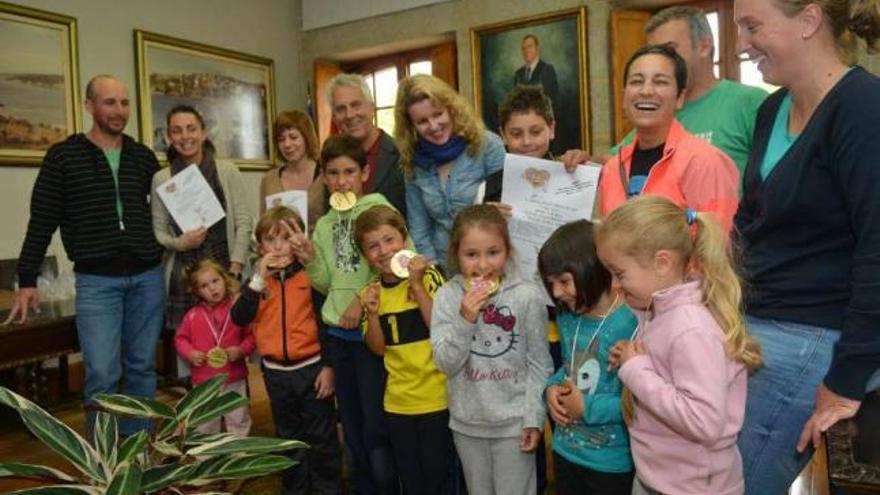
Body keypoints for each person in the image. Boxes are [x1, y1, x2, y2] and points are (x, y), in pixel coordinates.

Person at [732, 1, 880, 492]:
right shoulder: (773, 107)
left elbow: (876, 250)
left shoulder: (862, 110)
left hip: (815, 337)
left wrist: (847, 379)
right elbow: (751, 221)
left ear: (810, 21)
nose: (741, 44)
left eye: (753, 27)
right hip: (757, 330)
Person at [6, 75, 165, 435]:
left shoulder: (143, 157)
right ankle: (104, 461)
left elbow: (167, 210)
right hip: (97, 283)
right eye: (109, 102)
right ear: (89, 106)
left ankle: (138, 454)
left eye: (124, 103)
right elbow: (42, 219)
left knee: (141, 368)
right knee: (102, 373)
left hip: (147, 277)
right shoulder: (63, 156)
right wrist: (27, 278)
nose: (119, 111)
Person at [595, 195, 762, 495]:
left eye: (619, 274)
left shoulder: (690, 328)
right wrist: (633, 357)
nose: (614, 285)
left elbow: (703, 421)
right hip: (662, 477)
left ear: (662, 263)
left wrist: (636, 370)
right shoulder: (660, 308)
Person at [295, 134, 398, 495]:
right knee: (351, 422)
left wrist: (361, 298)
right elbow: (324, 282)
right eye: (333, 173)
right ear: (324, 177)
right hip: (339, 336)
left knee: (376, 422)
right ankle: (361, 486)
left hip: (373, 332)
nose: (341, 180)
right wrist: (310, 260)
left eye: (349, 172)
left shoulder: (377, 206)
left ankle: (388, 484)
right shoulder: (323, 225)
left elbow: (394, 263)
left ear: (365, 172)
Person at [431, 204, 553, 495]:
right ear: (456, 254)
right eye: (471, 254)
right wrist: (465, 319)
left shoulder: (527, 296)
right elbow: (445, 363)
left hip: (514, 425)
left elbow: (539, 364)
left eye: (493, 252)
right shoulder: (447, 297)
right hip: (467, 424)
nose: (483, 265)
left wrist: (533, 419)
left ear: (508, 251)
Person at [231, 206, 341, 494]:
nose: (278, 246)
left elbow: (325, 323)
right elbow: (239, 317)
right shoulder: (257, 282)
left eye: (285, 238)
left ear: (299, 240)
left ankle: (326, 490)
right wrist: (256, 280)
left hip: (313, 369)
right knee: (288, 438)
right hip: (276, 373)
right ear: (260, 245)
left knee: (322, 439)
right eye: (270, 239)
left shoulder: (310, 276)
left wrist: (328, 367)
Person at [355, 205, 453, 495]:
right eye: (372, 246)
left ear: (404, 239)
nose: (384, 251)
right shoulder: (370, 292)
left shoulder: (430, 276)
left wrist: (417, 286)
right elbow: (377, 349)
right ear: (365, 257)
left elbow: (441, 328)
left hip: (438, 399)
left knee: (439, 474)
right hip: (398, 403)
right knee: (410, 476)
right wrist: (372, 314)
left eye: (389, 240)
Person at [538, 220, 637, 495]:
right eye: (551, 284)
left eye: (564, 282)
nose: (557, 293)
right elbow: (571, 368)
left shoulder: (631, 321)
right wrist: (551, 388)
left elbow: (639, 403)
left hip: (612, 465)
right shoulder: (568, 315)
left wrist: (587, 407)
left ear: (591, 270)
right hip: (565, 452)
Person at [598, 44, 739, 234]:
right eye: (637, 81)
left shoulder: (705, 163)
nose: (646, 91)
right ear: (624, 97)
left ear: (680, 98)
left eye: (660, 82)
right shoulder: (613, 168)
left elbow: (715, 250)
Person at [611, 6, 768, 177]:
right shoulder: (658, 110)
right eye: (654, 52)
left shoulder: (750, 102)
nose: (660, 61)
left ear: (704, 46)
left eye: (669, 50)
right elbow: (615, 160)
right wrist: (583, 160)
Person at [152, 105, 254, 351]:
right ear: (168, 137)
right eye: (177, 131)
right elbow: (159, 231)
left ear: (203, 133)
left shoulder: (227, 171)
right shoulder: (162, 178)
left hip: (225, 272)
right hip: (185, 278)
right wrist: (180, 243)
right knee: (193, 350)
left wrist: (236, 268)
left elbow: (243, 221)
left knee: (232, 344)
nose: (185, 136)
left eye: (191, 129)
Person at [395, 74, 506, 271]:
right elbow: (419, 227)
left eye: (438, 114)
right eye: (422, 121)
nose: (433, 126)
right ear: (411, 126)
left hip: (489, 265)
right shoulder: (413, 163)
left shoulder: (487, 145)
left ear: (452, 109)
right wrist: (433, 272)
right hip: (442, 267)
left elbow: (506, 210)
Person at [174, 258, 254, 436]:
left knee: (238, 418)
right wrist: (191, 353)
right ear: (196, 292)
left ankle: (239, 456)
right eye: (204, 286)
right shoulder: (192, 315)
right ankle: (206, 459)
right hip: (204, 381)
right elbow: (180, 339)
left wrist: (241, 350)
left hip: (234, 377)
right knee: (204, 423)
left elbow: (251, 336)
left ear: (224, 280)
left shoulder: (237, 309)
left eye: (215, 281)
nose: (212, 288)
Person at [327, 73, 407, 217]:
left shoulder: (402, 154)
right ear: (334, 117)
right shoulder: (329, 163)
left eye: (356, 105)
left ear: (372, 107)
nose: (350, 115)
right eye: (341, 109)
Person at [260, 110, 326, 230]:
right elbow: (263, 224)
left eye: (293, 137)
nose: (287, 144)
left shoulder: (325, 176)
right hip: (279, 247)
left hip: (317, 247)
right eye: (281, 140)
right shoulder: (269, 179)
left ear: (307, 138)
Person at [514, 34, 559, 106]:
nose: (526, 51)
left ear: (537, 49)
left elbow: (551, 102)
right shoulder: (518, 74)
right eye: (523, 48)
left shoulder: (547, 70)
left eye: (529, 46)